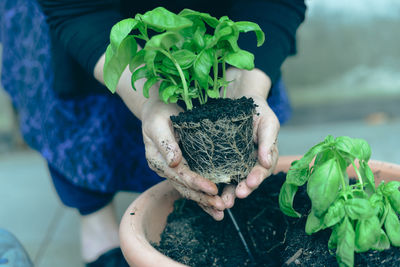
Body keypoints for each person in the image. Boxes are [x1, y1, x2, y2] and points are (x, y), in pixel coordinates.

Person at [0, 0, 306, 265]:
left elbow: (275, 4)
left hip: (210, 21)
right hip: (87, 13)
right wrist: (150, 101)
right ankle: (95, 220)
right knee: (82, 112)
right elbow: (77, 7)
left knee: (204, 105)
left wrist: (250, 84)